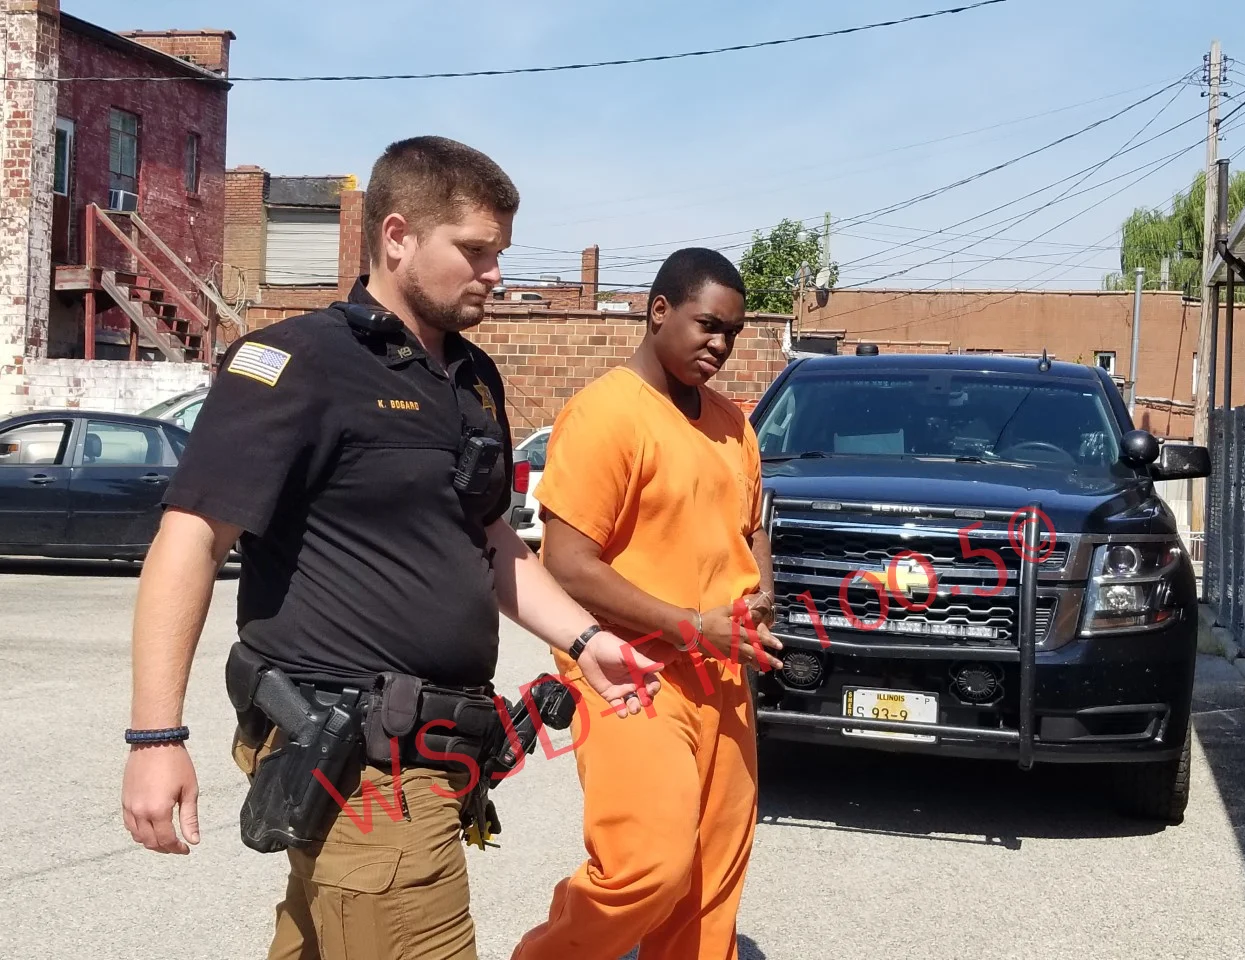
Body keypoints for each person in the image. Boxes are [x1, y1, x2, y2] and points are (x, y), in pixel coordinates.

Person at [119, 135, 663, 960]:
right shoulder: (295, 361)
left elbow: (490, 541)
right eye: (475, 251)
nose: (495, 274)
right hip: (356, 757)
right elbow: (190, 538)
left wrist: (587, 642)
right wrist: (155, 739)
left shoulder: (475, 377)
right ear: (398, 235)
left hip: (440, 761)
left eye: (500, 254)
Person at [510, 248, 784, 960]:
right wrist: (694, 626)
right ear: (658, 310)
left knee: (711, 880)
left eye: (733, 331)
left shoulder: (733, 422)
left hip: (723, 676)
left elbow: (753, 527)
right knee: (647, 867)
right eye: (706, 325)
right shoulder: (605, 415)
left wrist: (762, 597)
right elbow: (566, 565)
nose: (719, 345)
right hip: (629, 675)